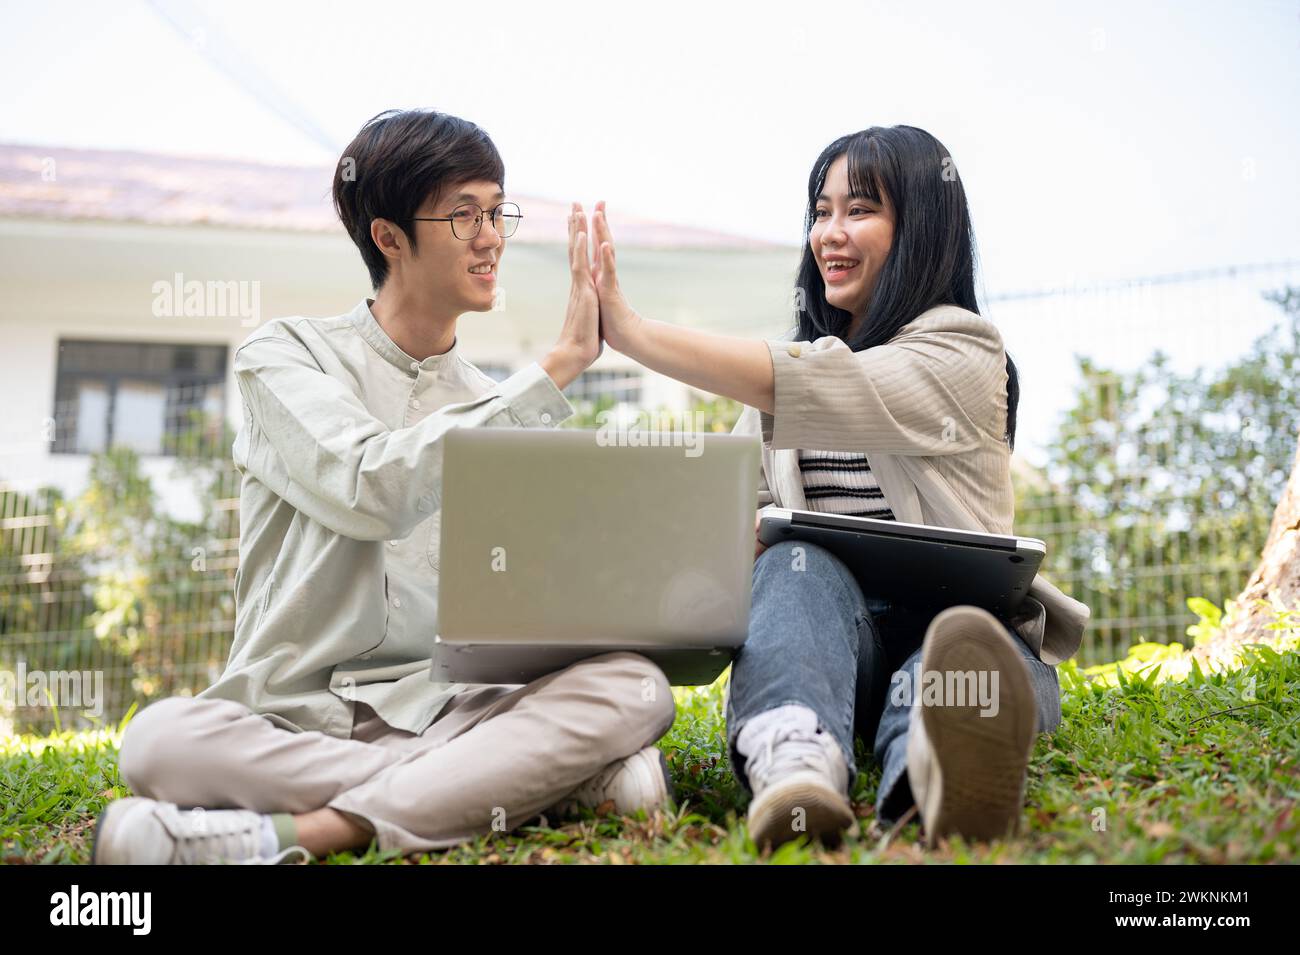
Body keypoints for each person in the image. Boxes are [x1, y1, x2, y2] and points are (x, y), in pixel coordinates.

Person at [93, 109, 676, 865]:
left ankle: (298, 833)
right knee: (158, 741)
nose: (492, 235)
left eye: (497, 211)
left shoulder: (495, 402)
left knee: (635, 688)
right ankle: (533, 782)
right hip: (291, 715)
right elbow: (374, 487)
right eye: (464, 215)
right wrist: (560, 364)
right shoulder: (283, 357)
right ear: (389, 236)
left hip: (448, 708)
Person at [586, 125, 1090, 849]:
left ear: (920, 229)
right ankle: (795, 763)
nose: (830, 233)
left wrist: (631, 333)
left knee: (950, 658)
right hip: (832, 657)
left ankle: (932, 766)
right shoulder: (774, 393)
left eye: (859, 210)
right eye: (820, 212)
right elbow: (737, 518)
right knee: (797, 560)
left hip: (968, 635)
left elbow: (825, 385)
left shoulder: (964, 349)